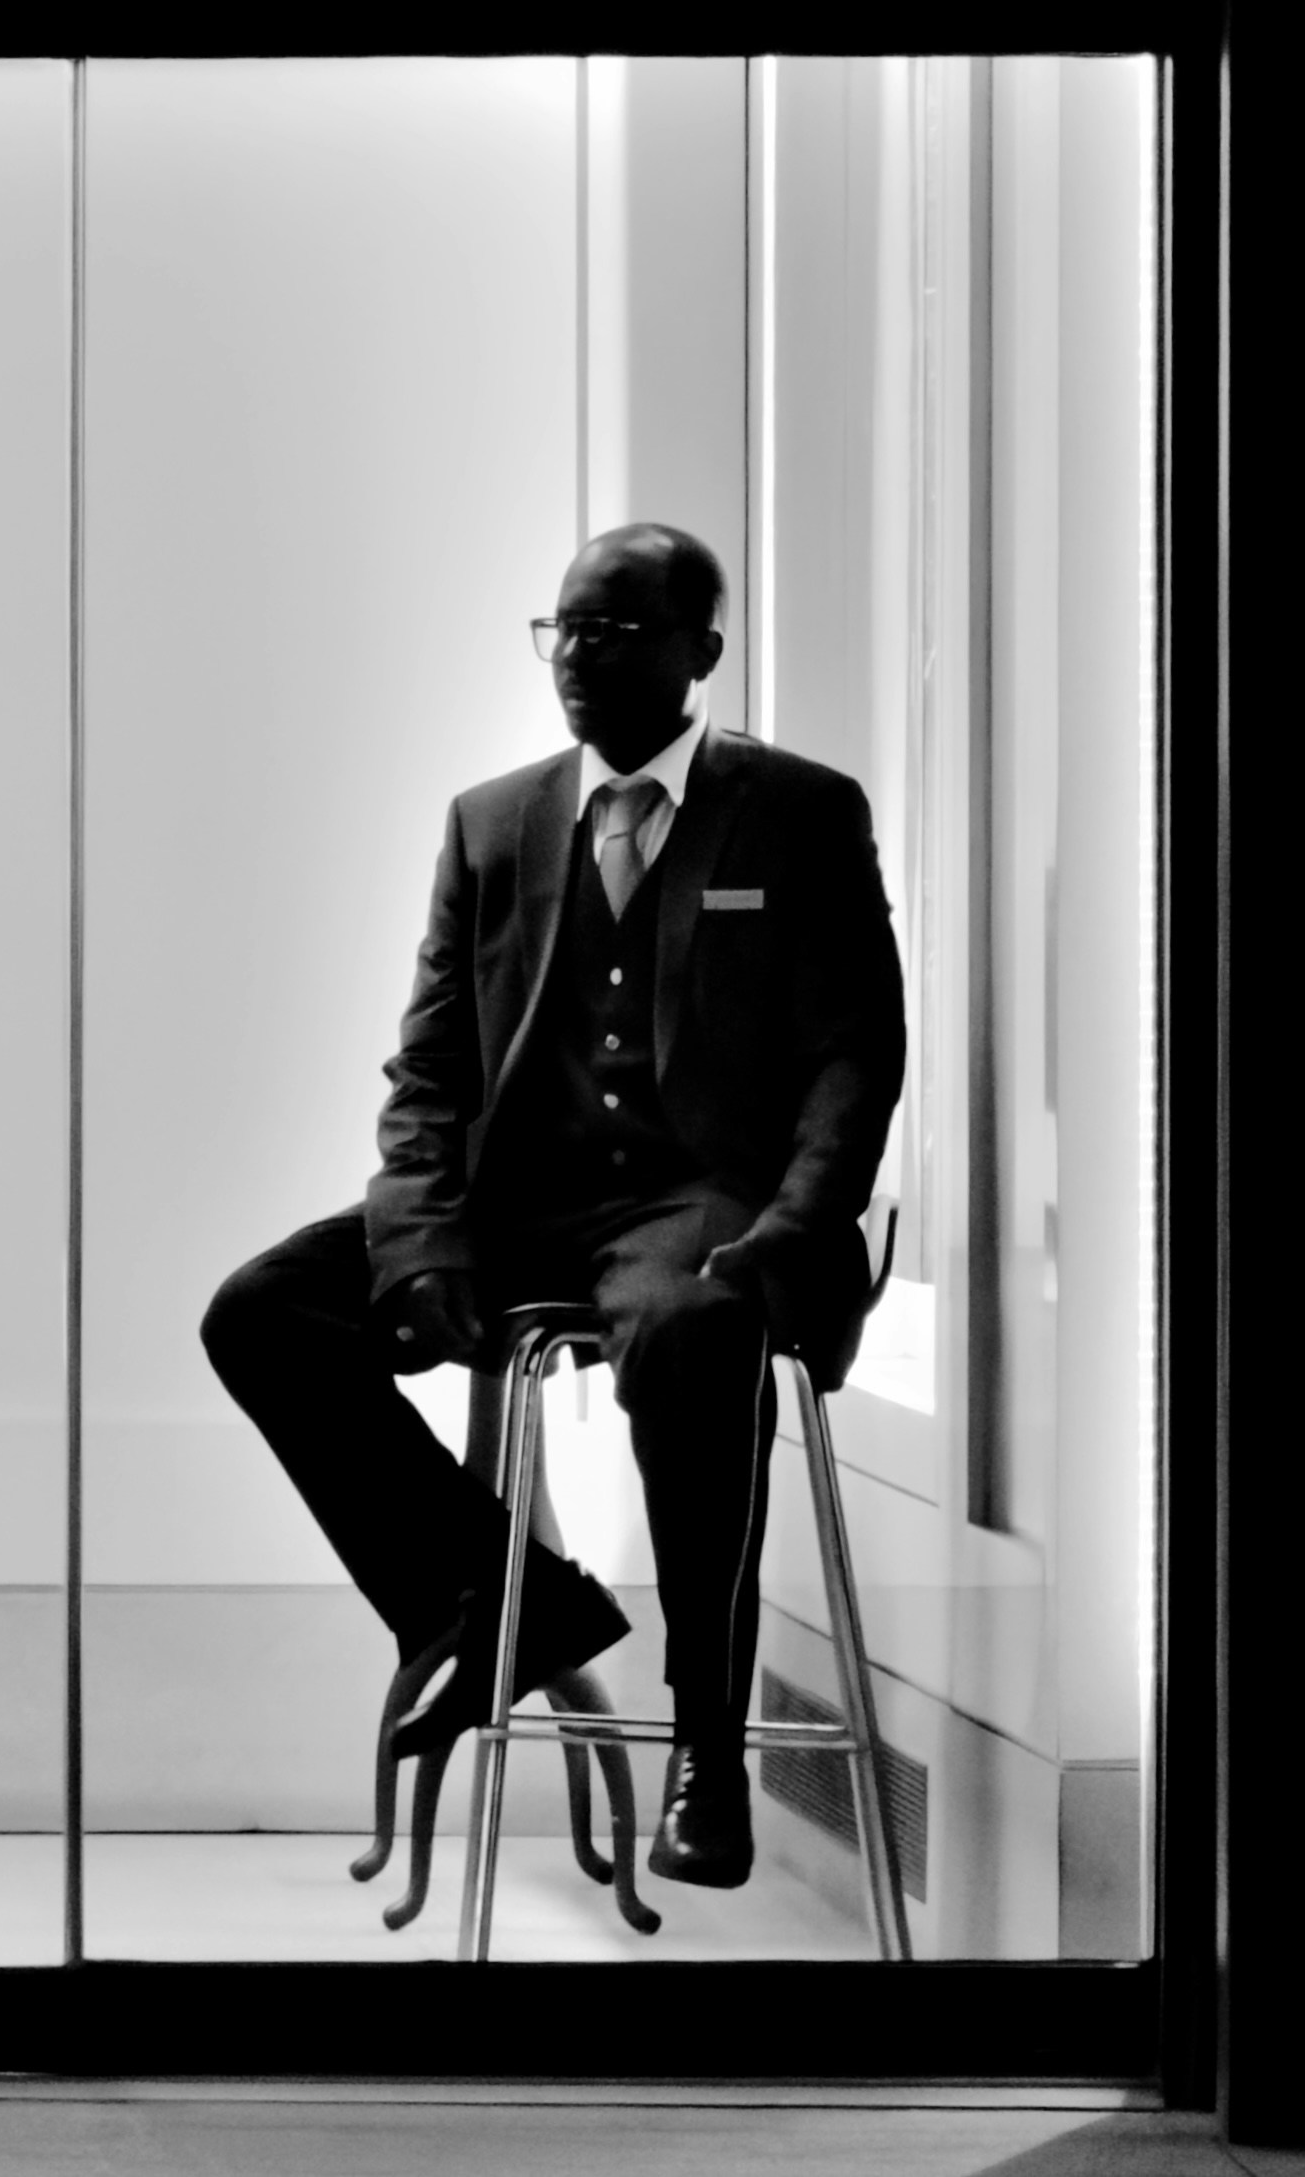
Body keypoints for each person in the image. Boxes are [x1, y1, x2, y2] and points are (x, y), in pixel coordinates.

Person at [198, 523, 906, 1889]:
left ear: (700, 652)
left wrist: (795, 1227)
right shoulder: (495, 820)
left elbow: (854, 1054)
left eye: (618, 629)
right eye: (565, 630)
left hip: (706, 1203)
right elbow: (429, 1073)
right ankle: (497, 1599)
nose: (581, 657)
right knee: (263, 1310)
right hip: (523, 1200)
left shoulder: (802, 811)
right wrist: (417, 1239)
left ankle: (708, 1754)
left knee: (691, 1335)